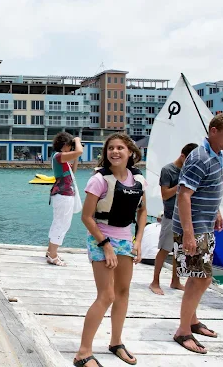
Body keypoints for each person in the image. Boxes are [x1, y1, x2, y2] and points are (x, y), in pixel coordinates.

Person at [73, 133, 147, 367]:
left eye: (120, 148)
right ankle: (83, 352)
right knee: (107, 295)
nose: (114, 152)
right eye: (110, 148)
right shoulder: (99, 180)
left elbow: (142, 211)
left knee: (123, 292)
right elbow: (86, 217)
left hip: (125, 239)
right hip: (101, 239)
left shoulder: (139, 180)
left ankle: (116, 342)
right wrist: (105, 246)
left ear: (130, 152)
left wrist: (138, 241)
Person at [172, 113, 223, 354]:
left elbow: (210, 188)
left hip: (206, 225)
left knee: (198, 276)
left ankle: (191, 320)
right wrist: (189, 235)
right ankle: (182, 331)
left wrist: (217, 212)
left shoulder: (218, 153)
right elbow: (183, 194)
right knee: (201, 278)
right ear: (213, 131)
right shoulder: (199, 157)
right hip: (194, 229)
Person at [149, 143, 198, 295]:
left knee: (180, 251)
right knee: (164, 249)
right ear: (182, 156)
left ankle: (175, 281)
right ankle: (155, 281)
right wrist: (182, 184)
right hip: (170, 215)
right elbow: (165, 194)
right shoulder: (168, 170)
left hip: (185, 217)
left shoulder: (190, 170)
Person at [46, 133, 83, 266]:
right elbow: (79, 151)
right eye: (69, 145)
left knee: (59, 222)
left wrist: (76, 155)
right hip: (63, 195)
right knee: (62, 224)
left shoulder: (61, 158)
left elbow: (73, 171)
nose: (70, 148)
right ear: (64, 145)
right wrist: (77, 141)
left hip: (63, 194)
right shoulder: (58, 156)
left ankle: (51, 251)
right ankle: (53, 255)